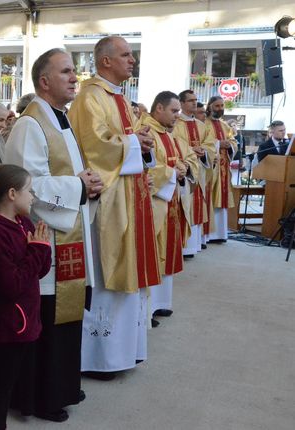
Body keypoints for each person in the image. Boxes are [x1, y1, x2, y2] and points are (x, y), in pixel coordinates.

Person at [6, 48, 102, 422]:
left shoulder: (60, 120)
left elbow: (69, 175)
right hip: (47, 237)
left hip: (70, 232)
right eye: (66, 72)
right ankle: (40, 396)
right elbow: (25, 186)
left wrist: (88, 184)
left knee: (64, 319)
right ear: (44, 82)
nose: (75, 77)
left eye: (74, 71)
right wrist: (78, 185)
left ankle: (61, 386)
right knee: (46, 318)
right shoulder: (30, 124)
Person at [68, 36, 160, 379]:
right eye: (125, 55)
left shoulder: (118, 97)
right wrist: (136, 142)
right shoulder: (90, 98)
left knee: (128, 272)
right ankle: (100, 358)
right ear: (105, 61)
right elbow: (95, 148)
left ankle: (126, 352)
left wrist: (144, 143)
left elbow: (130, 139)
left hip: (131, 197)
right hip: (109, 203)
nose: (132, 60)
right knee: (108, 276)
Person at [0, 164, 52, 430]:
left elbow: (38, 271)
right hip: (10, 323)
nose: (32, 196)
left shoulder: (22, 222)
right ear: (11, 193)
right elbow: (11, 285)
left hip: (26, 318)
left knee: (13, 381)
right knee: (2, 388)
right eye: (28, 190)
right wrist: (36, 252)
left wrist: (42, 250)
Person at [142, 92, 190, 319]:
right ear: (159, 108)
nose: (177, 116)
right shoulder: (146, 131)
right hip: (153, 203)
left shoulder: (167, 135)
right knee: (152, 252)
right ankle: (147, 309)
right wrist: (173, 172)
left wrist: (181, 169)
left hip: (169, 201)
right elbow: (147, 167)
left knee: (166, 250)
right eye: (173, 111)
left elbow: (171, 160)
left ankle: (160, 302)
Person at [173, 90, 216, 257]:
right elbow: (172, 144)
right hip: (185, 170)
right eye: (190, 100)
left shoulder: (201, 125)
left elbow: (210, 145)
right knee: (185, 204)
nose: (194, 103)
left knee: (197, 204)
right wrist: (191, 150)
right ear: (181, 103)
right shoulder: (175, 124)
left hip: (200, 171)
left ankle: (194, 245)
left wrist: (204, 151)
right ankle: (183, 247)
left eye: (196, 100)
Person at [204, 96, 237, 243]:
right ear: (209, 106)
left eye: (222, 105)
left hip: (224, 167)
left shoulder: (225, 126)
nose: (220, 108)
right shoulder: (203, 124)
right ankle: (209, 234)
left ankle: (221, 233)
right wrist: (218, 144)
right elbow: (204, 142)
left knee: (221, 199)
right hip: (212, 166)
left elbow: (233, 141)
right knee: (210, 197)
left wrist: (230, 145)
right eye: (217, 106)